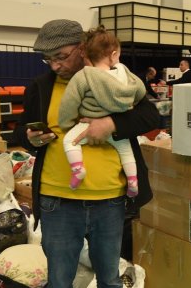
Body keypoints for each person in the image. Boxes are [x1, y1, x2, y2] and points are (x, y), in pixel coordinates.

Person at [13, 19, 161, 288]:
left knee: (109, 277)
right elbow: (20, 129)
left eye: (61, 57)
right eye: (48, 60)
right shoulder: (43, 87)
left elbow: (150, 115)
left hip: (109, 198)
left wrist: (109, 126)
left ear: (82, 48)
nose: (55, 66)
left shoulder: (118, 78)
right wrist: (31, 136)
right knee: (60, 282)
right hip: (57, 200)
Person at [58, 26, 146, 197]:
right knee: (126, 151)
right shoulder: (126, 73)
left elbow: (69, 102)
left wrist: (67, 124)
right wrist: (132, 102)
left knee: (70, 141)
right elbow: (140, 91)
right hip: (117, 127)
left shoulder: (84, 76)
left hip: (89, 123)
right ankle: (133, 180)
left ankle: (78, 170)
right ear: (113, 54)